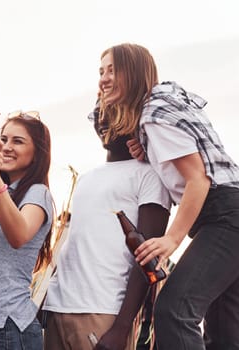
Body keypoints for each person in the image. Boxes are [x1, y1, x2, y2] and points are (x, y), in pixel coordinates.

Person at [99, 43, 239, 350]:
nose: (103, 79)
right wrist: (147, 147)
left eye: (112, 70)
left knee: (174, 311)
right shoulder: (164, 106)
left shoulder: (154, 115)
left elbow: (198, 179)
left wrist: (171, 240)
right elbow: (191, 159)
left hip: (226, 219)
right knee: (224, 337)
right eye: (101, 71)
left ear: (133, 72)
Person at [41, 103, 171, 350]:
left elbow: (147, 258)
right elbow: (76, 243)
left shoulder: (150, 175)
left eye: (111, 113)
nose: (102, 120)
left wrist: (122, 328)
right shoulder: (87, 177)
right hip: (58, 308)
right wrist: (46, 301)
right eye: (98, 114)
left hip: (103, 311)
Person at [0, 111, 54, 350]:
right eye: (3, 139)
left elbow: (18, 236)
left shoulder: (37, 193)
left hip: (10, 323)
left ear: (37, 153)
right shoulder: (5, 196)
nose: (6, 147)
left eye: (18, 141)